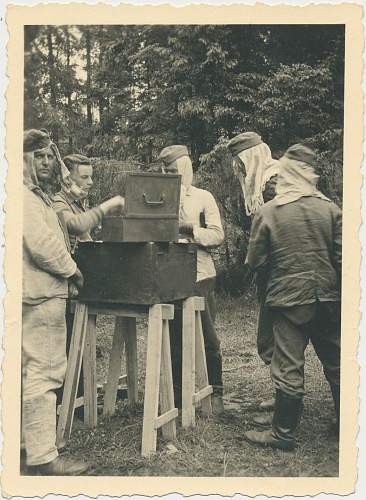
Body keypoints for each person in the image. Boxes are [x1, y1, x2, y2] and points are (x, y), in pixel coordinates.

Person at [244, 144, 342, 451]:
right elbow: (344, 259)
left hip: (288, 300)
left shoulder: (270, 211)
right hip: (329, 298)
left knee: (288, 366)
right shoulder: (330, 209)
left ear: (284, 175)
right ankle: (346, 423)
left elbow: (255, 261)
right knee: (338, 362)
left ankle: (283, 434)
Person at [22, 129, 89, 475]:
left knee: (24, 373)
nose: (46, 162)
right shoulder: (25, 198)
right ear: (23, 160)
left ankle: (25, 445)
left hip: (28, 294)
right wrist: (73, 271)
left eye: (50, 156)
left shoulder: (36, 196)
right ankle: (44, 458)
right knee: (45, 375)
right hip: (42, 294)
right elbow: (43, 245)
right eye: (39, 156)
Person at [52, 152, 125, 412]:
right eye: (85, 177)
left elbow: (86, 240)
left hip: (75, 286)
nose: (91, 182)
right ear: (65, 180)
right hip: (62, 288)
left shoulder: (77, 203)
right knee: (68, 346)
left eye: (92, 176)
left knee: (78, 343)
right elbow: (76, 226)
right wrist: (108, 206)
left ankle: (80, 399)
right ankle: (67, 403)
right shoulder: (57, 203)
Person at [159, 145, 225, 414]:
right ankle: (177, 395)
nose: (169, 174)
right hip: (170, 275)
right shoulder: (159, 196)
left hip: (200, 273)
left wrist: (191, 230)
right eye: (165, 170)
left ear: (185, 168)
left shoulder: (203, 197)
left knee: (207, 336)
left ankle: (216, 392)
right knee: (174, 337)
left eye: (173, 170)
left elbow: (218, 235)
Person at [227, 132, 279, 416]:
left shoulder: (273, 184)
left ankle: (286, 398)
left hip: (280, 273)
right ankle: (284, 393)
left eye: (242, 165)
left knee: (273, 337)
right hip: (273, 271)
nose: (241, 172)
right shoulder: (266, 181)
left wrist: (257, 261)